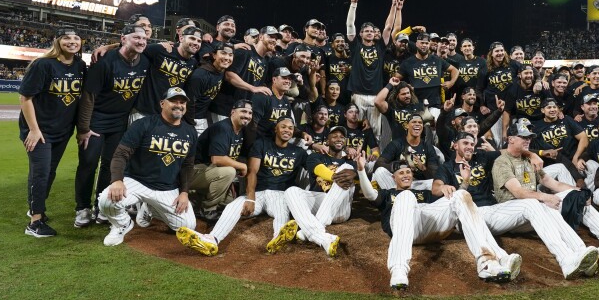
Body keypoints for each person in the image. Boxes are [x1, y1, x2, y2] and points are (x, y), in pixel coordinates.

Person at [435, 132, 599, 280]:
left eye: (472, 144)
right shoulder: (447, 168)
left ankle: (578, 252)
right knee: (533, 202)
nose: (470, 147)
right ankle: (565, 259)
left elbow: (512, 150)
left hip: (494, 211)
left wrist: (533, 154)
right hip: (473, 217)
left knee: (544, 205)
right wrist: (444, 187)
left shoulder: (482, 157)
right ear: (455, 145)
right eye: (465, 143)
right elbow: (435, 187)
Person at [492, 122, 599, 268]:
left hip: (535, 211)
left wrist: (578, 191)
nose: (528, 140)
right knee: (537, 204)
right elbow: (518, 193)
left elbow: (553, 183)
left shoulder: (528, 160)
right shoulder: (502, 162)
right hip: (514, 213)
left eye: (529, 137)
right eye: (523, 137)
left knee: (578, 198)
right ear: (510, 139)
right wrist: (546, 197)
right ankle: (571, 255)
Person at [356, 159, 522, 290]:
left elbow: (453, 203)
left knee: (460, 195)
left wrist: (464, 182)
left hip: (425, 225)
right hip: (403, 226)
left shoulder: (424, 194)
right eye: (401, 173)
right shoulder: (387, 194)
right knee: (405, 196)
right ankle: (399, 269)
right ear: (394, 178)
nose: (406, 175)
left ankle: (490, 261)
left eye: (408, 172)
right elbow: (370, 194)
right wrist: (362, 170)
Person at [176, 116, 307, 256]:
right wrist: (250, 197)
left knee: (282, 212)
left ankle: (278, 238)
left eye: (290, 128)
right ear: (276, 129)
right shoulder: (262, 144)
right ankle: (212, 239)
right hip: (259, 193)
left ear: (293, 132)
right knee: (234, 206)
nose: (287, 130)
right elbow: (252, 172)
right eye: (283, 126)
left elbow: (313, 166)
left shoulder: (299, 152)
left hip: (280, 194)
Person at [97, 86, 199, 246]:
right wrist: (117, 180)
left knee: (187, 226)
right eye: (173, 101)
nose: (179, 105)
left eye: (182, 102)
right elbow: (121, 154)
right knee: (106, 201)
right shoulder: (144, 124)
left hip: (167, 188)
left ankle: (149, 207)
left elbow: (187, 165)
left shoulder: (190, 132)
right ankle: (122, 224)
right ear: (162, 103)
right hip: (137, 181)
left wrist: (184, 192)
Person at [74, 24, 150, 227]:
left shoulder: (145, 60)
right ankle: (82, 208)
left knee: (110, 165)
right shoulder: (104, 61)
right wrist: (83, 128)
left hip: (120, 122)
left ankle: (102, 207)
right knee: (88, 164)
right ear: (124, 39)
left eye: (144, 39)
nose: (141, 42)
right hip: (96, 120)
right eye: (136, 38)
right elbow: (89, 96)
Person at [20, 28, 86, 237]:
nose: (72, 41)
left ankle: (36, 208)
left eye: (76, 38)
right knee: (40, 173)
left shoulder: (80, 66)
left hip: (62, 130)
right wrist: (33, 129)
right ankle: (35, 222)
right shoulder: (43, 64)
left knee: (50, 172)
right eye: (67, 37)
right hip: (39, 131)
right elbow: (25, 97)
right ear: (57, 41)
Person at [276, 127, 359, 256]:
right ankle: (319, 237)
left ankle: (306, 230)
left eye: (342, 137)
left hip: (341, 209)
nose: (339, 139)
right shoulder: (315, 157)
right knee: (291, 191)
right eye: (335, 136)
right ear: (327, 141)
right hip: (321, 203)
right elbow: (319, 169)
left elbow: (357, 180)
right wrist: (335, 177)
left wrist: (354, 172)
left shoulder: (350, 162)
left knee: (346, 168)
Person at [183, 99, 252, 223]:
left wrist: (228, 182)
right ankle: (208, 209)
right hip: (191, 172)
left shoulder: (239, 131)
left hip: (209, 172)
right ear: (233, 112)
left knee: (230, 203)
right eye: (243, 111)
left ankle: (194, 199)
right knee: (229, 172)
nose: (247, 115)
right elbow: (217, 159)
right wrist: (242, 166)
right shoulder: (222, 128)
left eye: (250, 113)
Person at [345, 0, 398, 138]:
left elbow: (388, 27)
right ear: (361, 34)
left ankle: (372, 161)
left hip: (376, 95)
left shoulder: (380, 47)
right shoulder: (355, 46)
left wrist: (393, 6)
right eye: (366, 31)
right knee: (356, 131)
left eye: (372, 31)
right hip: (358, 95)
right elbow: (350, 25)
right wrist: (353, 4)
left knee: (376, 134)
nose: (370, 33)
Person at [398, 32, 459, 121]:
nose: (424, 45)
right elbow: (395, 79)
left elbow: (455, 70)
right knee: (418, 132)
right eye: (422, 43)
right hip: (416, 104)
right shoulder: (408, 62)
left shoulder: (437, 60)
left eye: (426, 43)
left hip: (435, 104)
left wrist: (451, 82)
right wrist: (406, 87)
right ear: (416, 44)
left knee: (435, 133)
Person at [374, 112, 440, 189]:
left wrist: (422, 168)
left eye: (420, 123)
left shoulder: (428, 147)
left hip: (417, 184)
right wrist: (397, 166)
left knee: (436, 182)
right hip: (399, 183)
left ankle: (404, 196)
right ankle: (396, 195)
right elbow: (378, 164)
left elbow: (435, 173)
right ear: (406, 125)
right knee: (380, 171)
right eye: (414, 122)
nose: (417, 124)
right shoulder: (396, 144)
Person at [532, 99, 589, 185]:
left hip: (573, 160)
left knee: (590, 169)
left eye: (555, 107)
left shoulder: (566, 120)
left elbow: (584, 138)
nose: (552, 110)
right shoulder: (536, 127)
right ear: (542, 110)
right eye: (549, 107)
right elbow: (530, 149)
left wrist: (576, 157)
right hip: (554, 163)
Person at [184, 41, 233, 133]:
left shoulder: (220, 71)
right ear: (214, 55)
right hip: (193, 119)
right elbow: (188, 102)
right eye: (223, 53)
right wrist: (190, 125)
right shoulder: (200, 75)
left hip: (203, 118)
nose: (227, 58)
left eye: (230, 55)